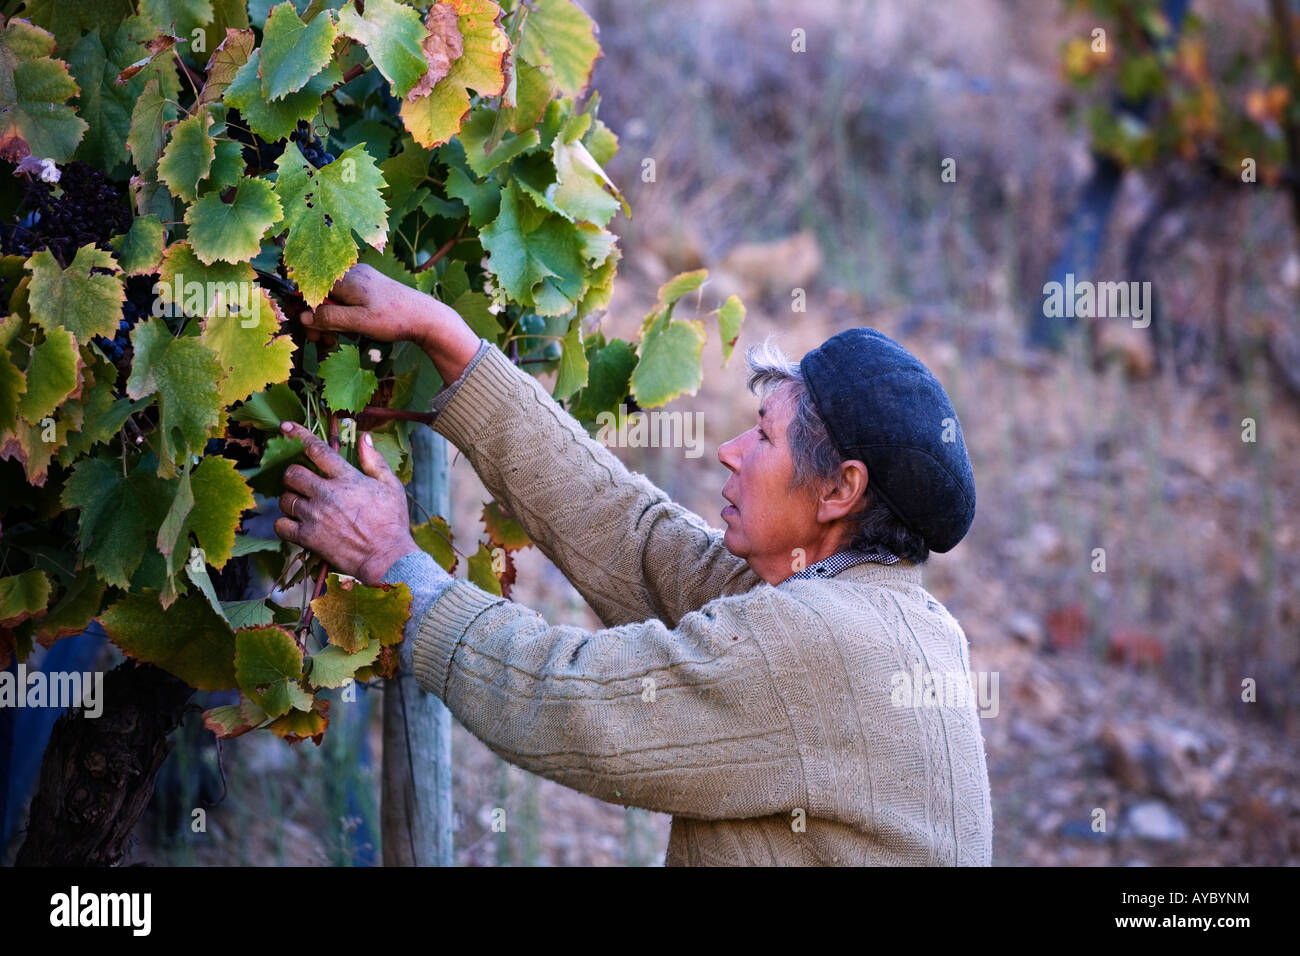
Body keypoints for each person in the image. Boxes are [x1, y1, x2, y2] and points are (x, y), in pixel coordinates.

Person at [273, 263, 992, 866]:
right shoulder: (859, 605)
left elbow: (568, 702)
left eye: (764, 438)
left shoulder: (820, 645)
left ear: (840, 490)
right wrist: (448, 339)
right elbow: (632, 537)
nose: (730, 451)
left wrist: (395, 561)